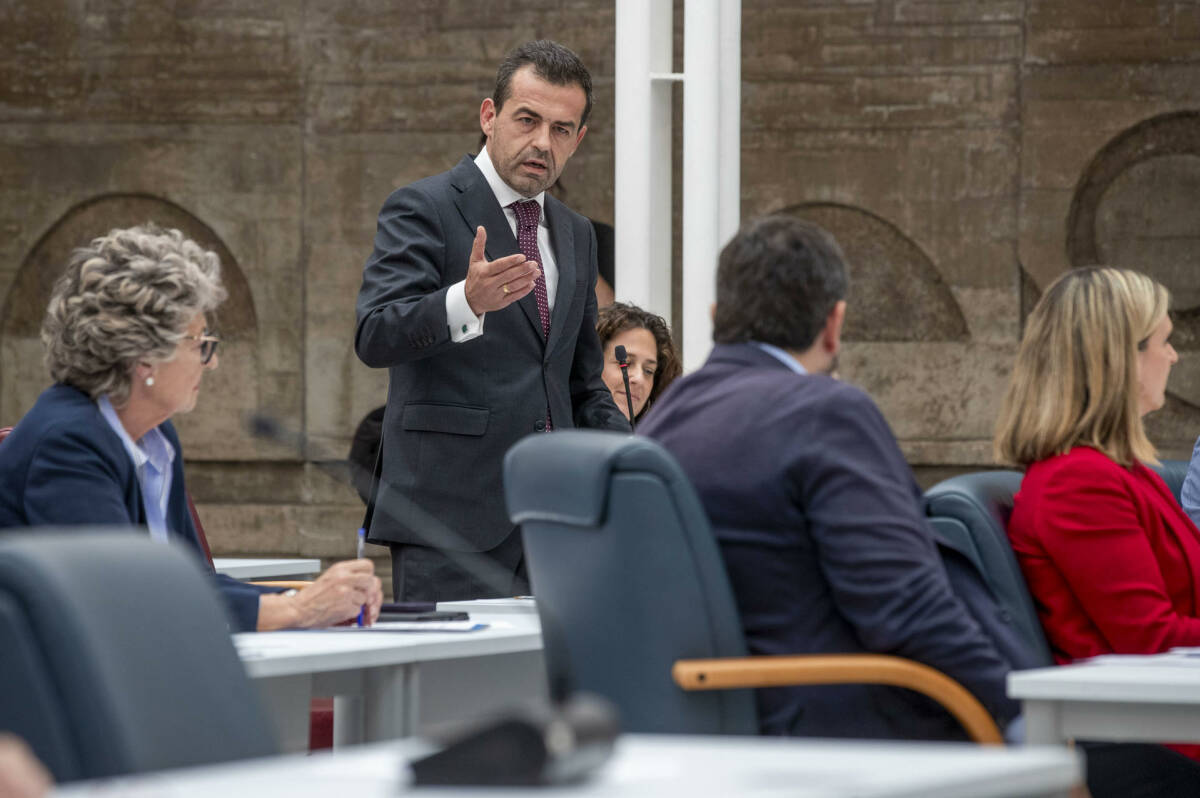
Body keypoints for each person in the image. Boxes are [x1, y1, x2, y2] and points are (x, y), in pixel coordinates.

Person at [638, 215, 1018, 741]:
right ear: (834, 324)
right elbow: (906, 608)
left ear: (716, 316)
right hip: (845, 731)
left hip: (698, 731)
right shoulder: (826, 412)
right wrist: (1021, 710)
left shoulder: (659, 421)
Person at [0, 224, 383, 632]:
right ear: (144, 356)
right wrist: (299, 610)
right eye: (199, 342)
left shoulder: (156, 436)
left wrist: (311, 600)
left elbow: (188, 584)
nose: (211, 361)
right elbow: (121, 597)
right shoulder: (66, 443)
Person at [355, 40, 629, 602]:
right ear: (489, 116)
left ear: (579, 140)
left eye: (560, 129)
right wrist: (465, 301)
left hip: (557, 525)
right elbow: (374, 332)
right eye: (527, 120)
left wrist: (636, 460)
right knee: (449, 692)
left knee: (545, 690)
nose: (540, 143)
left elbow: (579, 381)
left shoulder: (576, 233)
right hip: (449, 523)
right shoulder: (423, 206)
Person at [995, 266, 1200, 794]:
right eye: (1163, 342)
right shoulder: (1079, 482)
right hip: (1146, 743)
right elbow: (1152, 640)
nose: (1173, 357)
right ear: (1119, 360)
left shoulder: (1119, 470)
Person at [595, 302, 680, 422]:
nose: (639, 379)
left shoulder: (658, 438)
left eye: (648, 371)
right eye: (626, 363)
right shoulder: (561, 434)